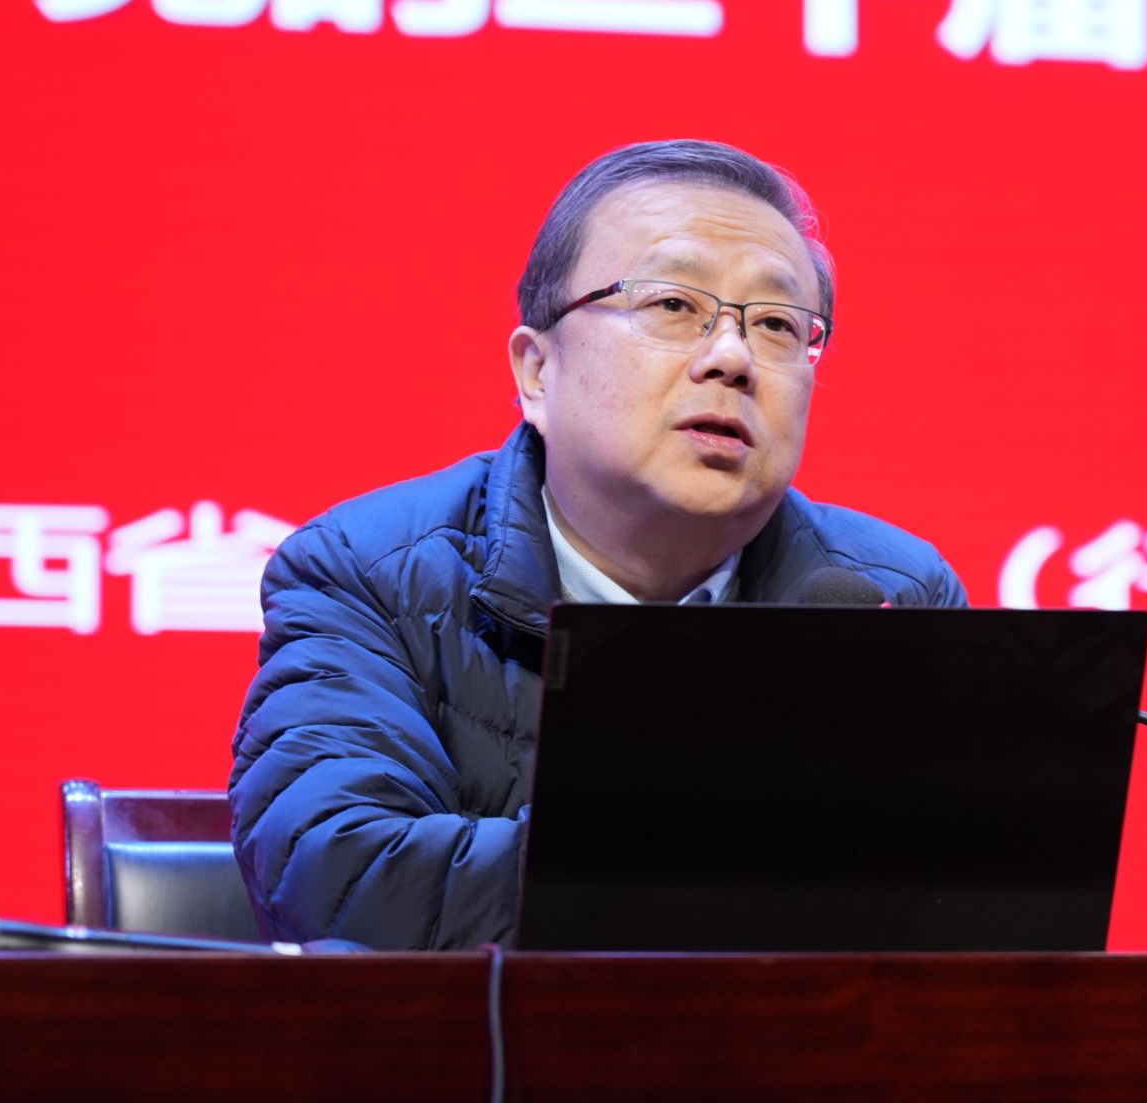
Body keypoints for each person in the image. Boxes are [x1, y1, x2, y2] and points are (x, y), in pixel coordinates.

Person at [228, 139, 967, 949]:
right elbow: (345, 883)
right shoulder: (367, 574)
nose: (732, 358)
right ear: (537, 370)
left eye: (778, 324)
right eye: (673, 304)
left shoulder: (896, 598)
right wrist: (726, 853)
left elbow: (972, 912)